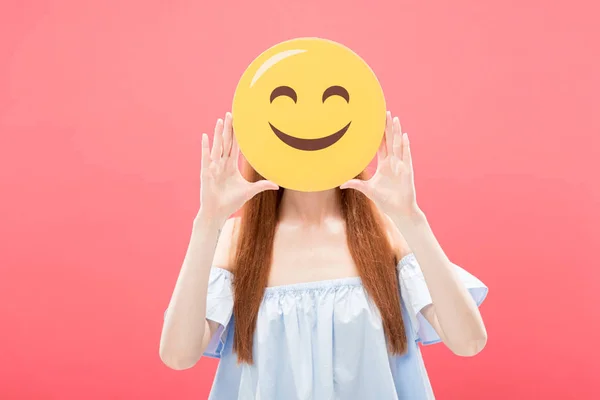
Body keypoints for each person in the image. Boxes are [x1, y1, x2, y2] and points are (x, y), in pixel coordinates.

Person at [159, 111, 488, 399]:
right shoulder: (236, 241)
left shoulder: (388, 234)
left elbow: (468, 341)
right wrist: (208, 222)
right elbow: (177, 355)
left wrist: (411, 218)